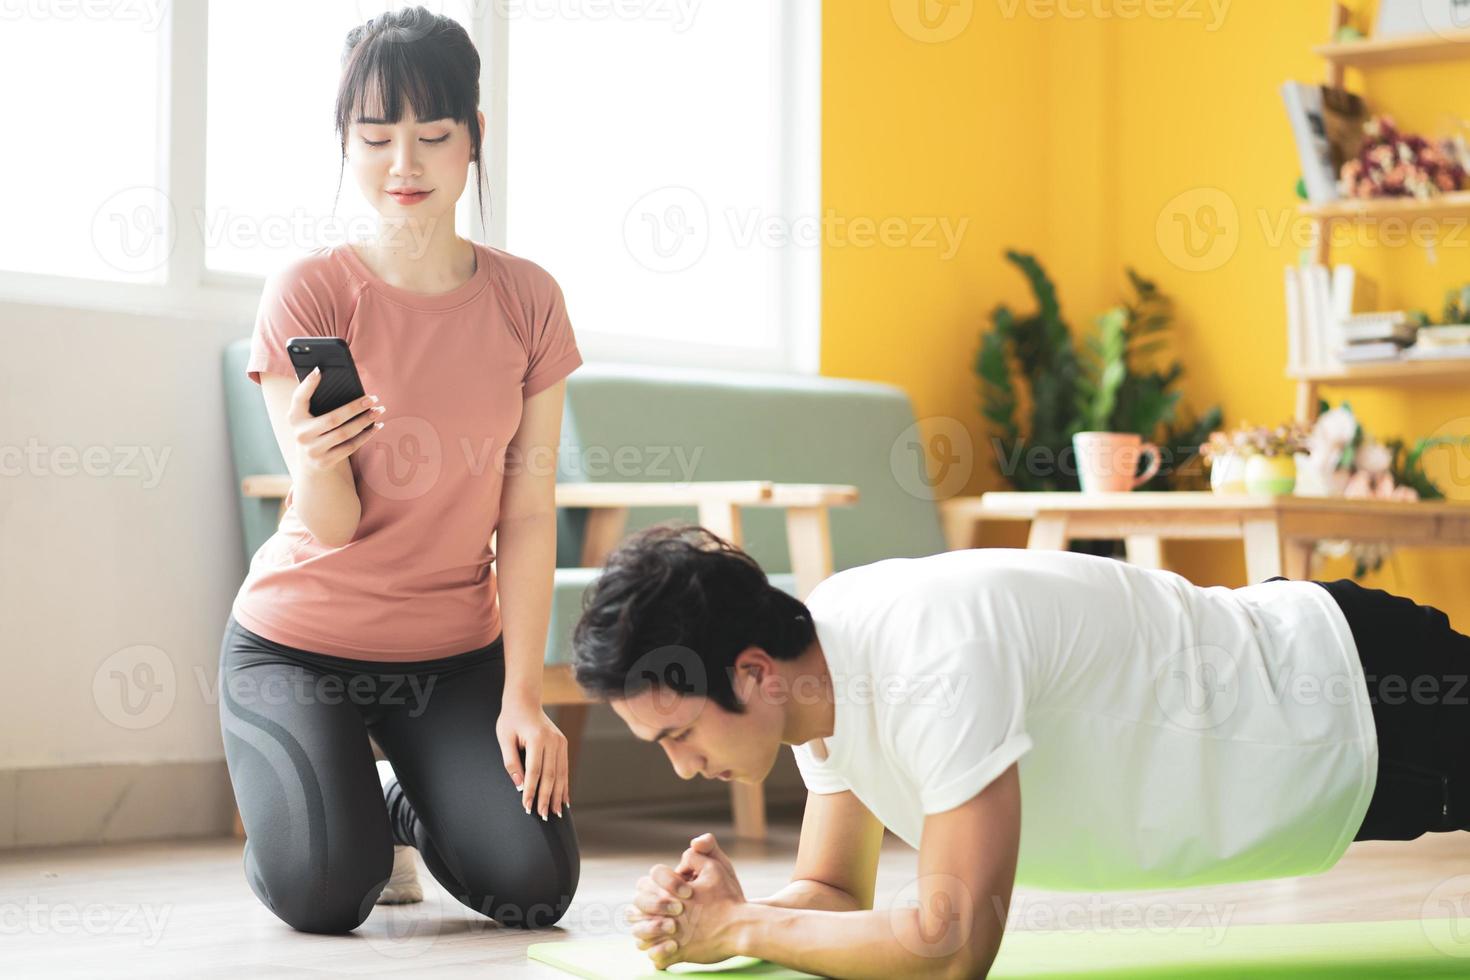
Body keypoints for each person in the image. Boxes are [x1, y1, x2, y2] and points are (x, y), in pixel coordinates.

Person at [572, 522, 1470, 977]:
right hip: (1323, 719)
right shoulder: (822, 676)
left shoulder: (929, 659)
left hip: (1357, 694)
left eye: (680, 735)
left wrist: (739, 928)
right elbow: (839, 893)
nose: (682, 765)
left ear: (754, 671)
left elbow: (952, 948)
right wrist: (741, 910)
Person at [218, 7, 580, 934]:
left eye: (433, 134)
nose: (405, 165)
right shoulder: (308, 291)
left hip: (453, 653)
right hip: (298, 645)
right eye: (375, 137)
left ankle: (401, 805)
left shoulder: (528, 300)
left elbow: (529, 513)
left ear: (475, 138)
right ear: (347, 140)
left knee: (534, 886)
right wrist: (312, 458)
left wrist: (525, 697)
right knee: (327, 894)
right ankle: (349, 822)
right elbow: (330, 528)